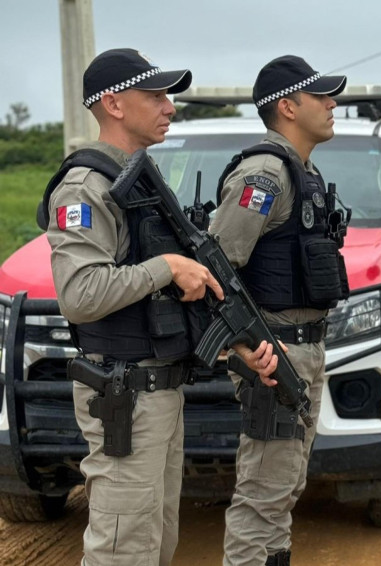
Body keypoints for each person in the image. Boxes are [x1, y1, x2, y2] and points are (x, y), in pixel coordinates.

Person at [43, 48, 279, 566]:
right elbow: (80, 295)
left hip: (158, 393)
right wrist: (168, 268)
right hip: (124, 394)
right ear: (114, 105)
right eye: (154, 95)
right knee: (123, 550)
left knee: (153, 545)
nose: (169, 106)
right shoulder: (86, 186)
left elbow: (169, 299)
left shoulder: (139, 182)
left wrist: (237, 344)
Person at [210, 55, 350, 566]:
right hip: (276, 355)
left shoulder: (301, 169)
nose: (333, 104)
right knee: (262, 498)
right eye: (321, 96)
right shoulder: (266, 174)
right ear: (288, 107)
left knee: (283, 490)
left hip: (302, 347)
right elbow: (216, 268)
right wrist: (246, 345)